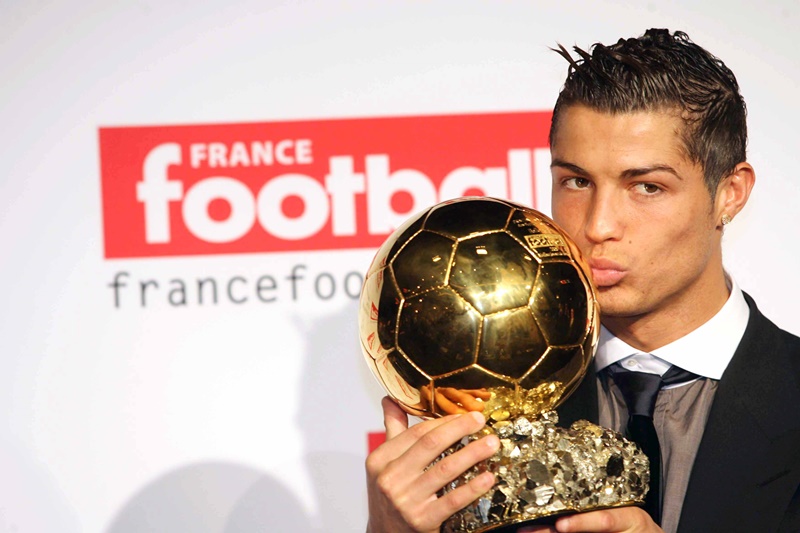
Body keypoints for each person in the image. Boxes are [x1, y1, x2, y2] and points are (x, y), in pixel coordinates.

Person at [365, 29, 800, 533]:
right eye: (576, 181)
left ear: (730, 193)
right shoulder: (480, 403)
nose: (597, 225)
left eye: (646, 187)